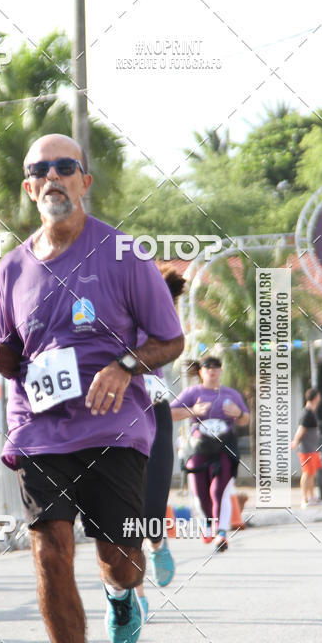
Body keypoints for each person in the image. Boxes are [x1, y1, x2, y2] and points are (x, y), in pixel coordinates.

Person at [0, 133, 184, 643]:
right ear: (29, 187)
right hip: (39, 431)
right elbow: (15, 354)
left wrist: (124, 366)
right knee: (49, 552)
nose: (54, 177)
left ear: (85, 181)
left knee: (118, 558)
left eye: (66, 167)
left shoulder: (123, 252)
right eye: (41, 170)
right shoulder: (13, 268)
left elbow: (171, 340)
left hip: (114, 429)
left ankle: (122, 596)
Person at [135, 264, 186, 621]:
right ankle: (132, 594)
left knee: (152, 506)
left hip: (154, 409)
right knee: (121, 512)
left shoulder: (160, 315)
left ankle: (156, 543)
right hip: (114, 412)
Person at [170, 356, 249, 552]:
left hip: (224, 445)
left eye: (216, 367)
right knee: (200, 490)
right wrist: (192, 410)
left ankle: (221, 533)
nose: (212, 371)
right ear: (200, 372)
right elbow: (170, 414)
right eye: (207, 368)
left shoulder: (231, 394)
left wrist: (238, 413)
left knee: (218, 490)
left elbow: (245, 419)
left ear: (221, 371)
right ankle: (207, 524)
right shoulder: (192, 392)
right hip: (199, 446)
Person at [291, 387, 322, 507]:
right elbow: (301, 429)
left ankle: (311, 496)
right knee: (307, 473)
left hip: (313, 449)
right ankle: (304, 498)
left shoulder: (311, 412)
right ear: (315, 398)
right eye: (318, 396)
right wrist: (295, 441)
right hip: (306, 449)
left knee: (312, 473)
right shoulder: (306, 413)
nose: (320, 398)